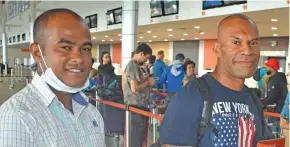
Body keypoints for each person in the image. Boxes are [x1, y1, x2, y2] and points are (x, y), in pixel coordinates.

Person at [0, 9, 105, 146]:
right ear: (38, 53)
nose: (78, 58)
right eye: (66, 47)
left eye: (85, 49)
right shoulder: (16, 117)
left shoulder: (91, 113)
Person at [160, 14, 263, 147]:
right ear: (217, 49)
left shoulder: (253, 100)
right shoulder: (192, 96)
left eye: (253, 43)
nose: (248, 51)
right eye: (236, 42)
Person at [122, 43, 155, 147]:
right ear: (141, 54)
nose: (146, 60)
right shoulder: (133, 66)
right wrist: (148, 83)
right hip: (136, 106)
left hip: (138, 106)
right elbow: (134, 88)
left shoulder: (134, 66)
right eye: (146, 57)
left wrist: (145, 79)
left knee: (138, 138)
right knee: (136, 138)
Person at [262, 58, 287, 133]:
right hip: (280, 112)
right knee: (277, 135)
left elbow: (271, 97)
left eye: (268, 67)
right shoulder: (279, 78)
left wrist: (260, 104)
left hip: (275, 112)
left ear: (272, 68)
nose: (266, 69)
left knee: (273, 136)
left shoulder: (275, 80)